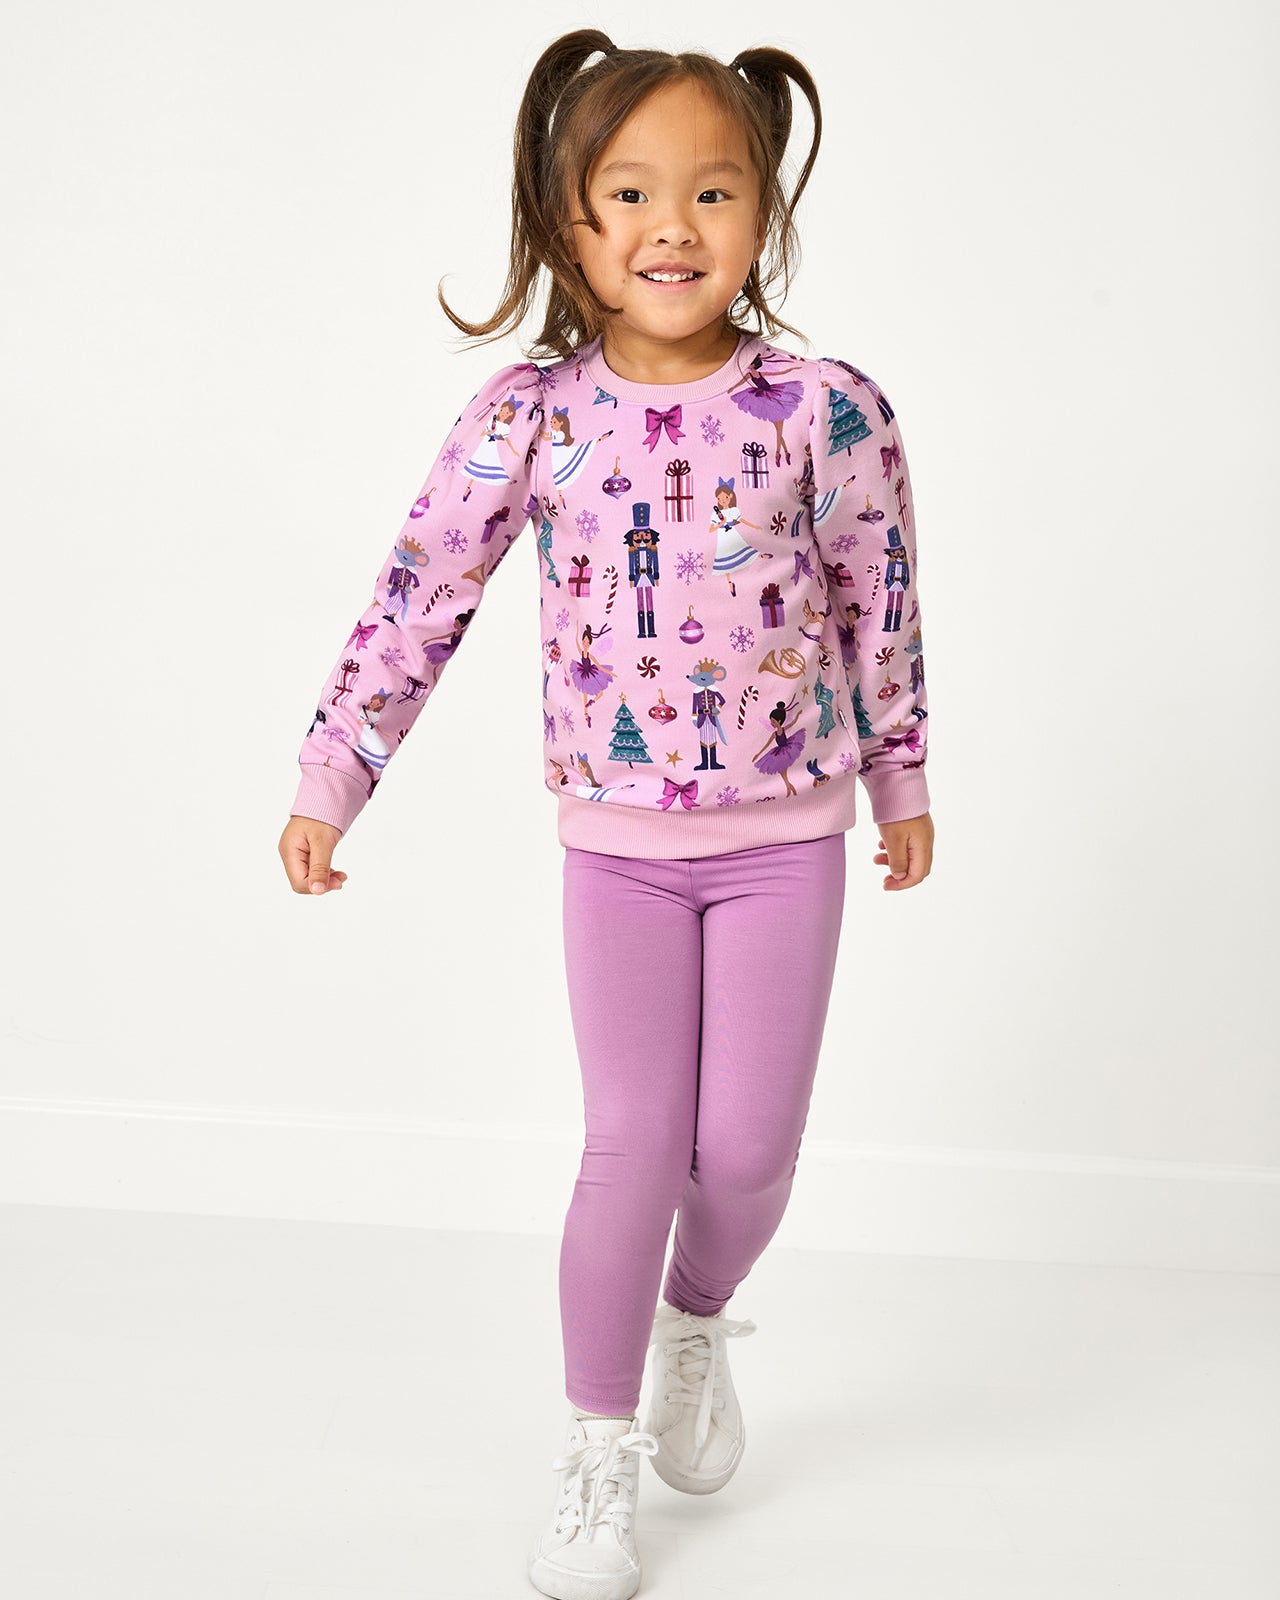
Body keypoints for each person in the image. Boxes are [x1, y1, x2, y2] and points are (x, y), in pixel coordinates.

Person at [277, 29, 935, 1600]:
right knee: (632, 1143)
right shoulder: (530, 418)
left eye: (713, 191)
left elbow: (881, 601)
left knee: (747, 1153)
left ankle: (694, 1317)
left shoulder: (824, 410)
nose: (672, 226)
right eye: (630, 193)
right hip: (619, 854)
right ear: (566, 220)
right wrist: (334, 774)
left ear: (762, 212)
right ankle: (596, 1455)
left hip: (786, 836)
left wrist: (901, 779)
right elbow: (420, 596)